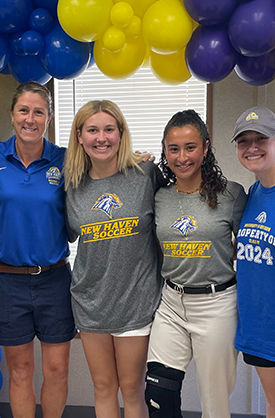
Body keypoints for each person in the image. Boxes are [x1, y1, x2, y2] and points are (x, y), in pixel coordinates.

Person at [0, 81, 76, 418]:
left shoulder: (65, 160)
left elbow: (103, 176)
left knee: (56, 371)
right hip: (8, 282)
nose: (30, 119)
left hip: (54, 280)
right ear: (12, 114)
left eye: (39, 112)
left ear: (49, 117)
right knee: (20, 372)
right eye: (24, 110)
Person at [63, 100, 163, 418]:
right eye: (92, 130)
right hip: (90, 303)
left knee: (132, 389)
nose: (101, 138)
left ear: (121, 133)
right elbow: (64, 235)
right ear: (80, 136)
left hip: (137, 302)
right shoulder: (72, 186)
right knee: (104, 388)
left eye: (109, 129)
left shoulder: (145, 173)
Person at [145, 110, 247, 418]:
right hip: (172, 302)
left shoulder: (231, 194)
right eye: (173, 148)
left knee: (214, 403)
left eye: (190, 147)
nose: (182, 156)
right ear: (164, 150)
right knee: (158, 392)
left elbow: (250, 251)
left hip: (217, 304)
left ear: (205, 147)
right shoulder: (158, 196)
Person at [232, 106, 275, 418]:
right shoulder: (254, 193)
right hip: (259, 327)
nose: (252, 147)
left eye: (261, 138)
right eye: (243, 141)